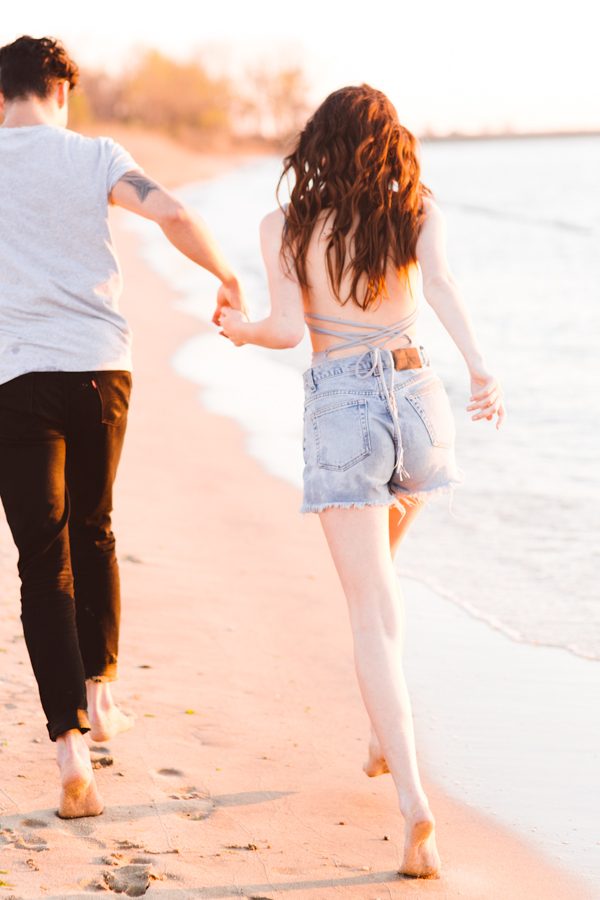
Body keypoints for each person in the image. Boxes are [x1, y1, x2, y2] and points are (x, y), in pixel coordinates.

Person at [219, 84, 505, 879]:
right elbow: (442, 287)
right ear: (390, 141)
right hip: (420, 399)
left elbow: (284, 330)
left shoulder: (287, 224)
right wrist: (482, 370)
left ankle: (415, 807)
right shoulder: (416, 209)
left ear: (319, 140)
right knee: (383, 582)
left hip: (344, 404)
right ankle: (384, 736)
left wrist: (241, 332)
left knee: (369, 610)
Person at [0, 35, 245, 819]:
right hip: (102, 368)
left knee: (42, 559)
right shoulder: (96, 154)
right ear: (60, 93)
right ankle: (103, 698)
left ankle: (71, 750)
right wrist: (229, 277)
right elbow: (172, 210)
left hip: (17, 377)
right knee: (94, 528)